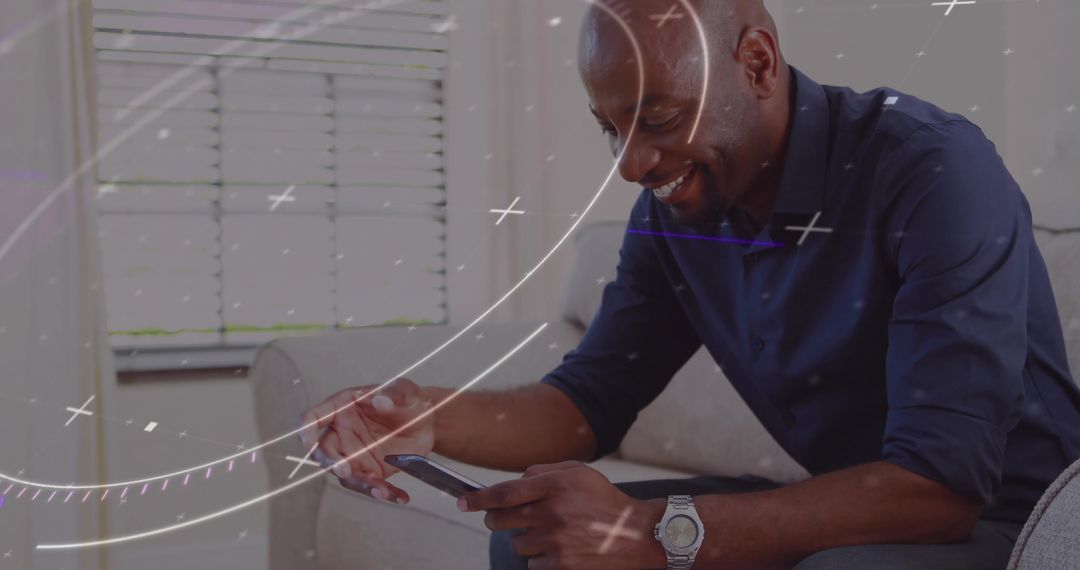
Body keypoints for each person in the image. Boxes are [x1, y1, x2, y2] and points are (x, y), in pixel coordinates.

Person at [300, 0, 1080, 567]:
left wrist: (657, 533)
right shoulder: (677, 215)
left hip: (1017, 522)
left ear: (758, 64)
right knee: (539, 542)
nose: (632, 164)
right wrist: (421, 416)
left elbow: (941, 490)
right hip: (853, 505)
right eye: (612, 128)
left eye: (660, 119)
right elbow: (583, 407)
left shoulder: (933, 171)